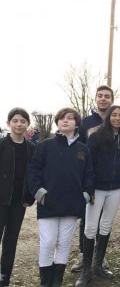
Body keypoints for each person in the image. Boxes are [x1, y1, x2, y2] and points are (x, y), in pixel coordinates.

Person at [28, 108, 94, 287]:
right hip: (48, 203)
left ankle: (57, 282)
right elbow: (33, 171)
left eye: (70, 118)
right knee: (48, 242)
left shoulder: (83, 149)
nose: (66, 121)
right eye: (62, 118)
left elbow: (89, 176)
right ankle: (45, 283)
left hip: (72, 205)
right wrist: (40, 194)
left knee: (64, 243)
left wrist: (85, 196)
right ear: (57, 122)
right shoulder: (45, 145)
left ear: (76, 124)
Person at [75, 106, 120, 286]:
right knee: (90, 227)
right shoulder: (96, 136)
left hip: (115, 187)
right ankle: (86, 270)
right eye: (114, 115)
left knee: (106, 225)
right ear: (108, 117)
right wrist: (89, 188)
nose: (117, 118)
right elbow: (88, 163)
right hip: (97, 189)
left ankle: (98, 265)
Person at [72, 85, 114, 272]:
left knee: (105, 219)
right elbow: (78, 147)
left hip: (111, 179)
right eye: (100, 96)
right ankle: (83, 254)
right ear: (96, 98)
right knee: (87, 218)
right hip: (90, 177)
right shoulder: (86, 122)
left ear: (112, 99)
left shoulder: (117, 120)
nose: (103, 99)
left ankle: (99, 256)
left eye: (107, 96)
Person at [0, 108, 35, 287]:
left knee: (11, 242)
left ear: (28, 124)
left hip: (18, 204)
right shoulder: (1, 145)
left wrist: (30, 197)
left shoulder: (31, 148)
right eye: (15, 120)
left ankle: (4, 278)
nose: (19, 124)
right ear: (8, 123)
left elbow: (34, 176)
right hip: (0, 201)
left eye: (23, 121)